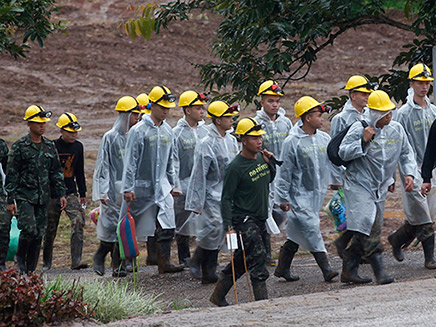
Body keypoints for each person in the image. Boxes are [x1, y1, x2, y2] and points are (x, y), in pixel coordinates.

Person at [339, 90, 417, 285]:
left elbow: (406, 153)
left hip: (380, 186)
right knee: (369, 222)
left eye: (390, 112)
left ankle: (348, 265)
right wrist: (363, 141)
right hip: (358, 184)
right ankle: (380, 272)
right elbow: (343, 153)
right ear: (373, 113)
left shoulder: (396, 129)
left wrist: (408, 174)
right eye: (384, 113)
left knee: (369, 226)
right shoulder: (359, 128)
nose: (389, 117)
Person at [210, 118, 275, 306]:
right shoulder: (235, 167)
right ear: (244, 140)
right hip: (245, 221)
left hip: (261, 218)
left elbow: (268, 179)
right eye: (254, 138)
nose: (259, 141)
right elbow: (226, 198)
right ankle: (262, 303)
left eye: (260, 138)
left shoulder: (261, 159)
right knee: (258, 259)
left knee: (241, 260)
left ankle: (218, 295)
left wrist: (270, 163)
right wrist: (228, 226)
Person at [274, 96, 338, 283]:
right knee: (311, 227)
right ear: (307, 117)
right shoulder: (292, 142)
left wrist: (336, 181)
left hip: (316, 194)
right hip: (298, 195)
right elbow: (284, 173)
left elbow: (331, 163)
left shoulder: (324, 138)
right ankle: (326, 269)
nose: (322, 119)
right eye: (318, 115)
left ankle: (282, 267)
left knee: (297, 231)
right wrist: (283, 198)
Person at [121, 85, 184, 274]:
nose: (166, 111)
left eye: (168, 107)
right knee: (131, 223)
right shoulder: (139, 131)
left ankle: (164, 262)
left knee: (167, 222)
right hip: (141, 185)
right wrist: (128, 187)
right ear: (152, 105)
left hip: (162, 184)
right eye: (162, 107)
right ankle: (121, 262)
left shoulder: (168, 131)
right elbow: (130, 161)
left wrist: (173, 183)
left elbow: (172, 159)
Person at [5, 105, 67, 274]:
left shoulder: (49, 146)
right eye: (38, 123)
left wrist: (61, 193)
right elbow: (12, 174)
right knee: (28, 229)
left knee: (39, 233)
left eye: (44, 123)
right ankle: (20, 262)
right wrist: (10, 199)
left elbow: (56, 171)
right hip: (25, 196)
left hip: (43, 197)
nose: (42, 126)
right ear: (29, 124)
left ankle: (30, 270)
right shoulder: (19, 147)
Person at [185, 100, 239, 284]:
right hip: (210, 194)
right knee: (213, 229)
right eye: (227, 117)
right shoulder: (206, 143)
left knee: (222, 230)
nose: (231, 120)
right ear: (217, 120)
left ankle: (208, 271)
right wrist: (196, 201)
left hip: (227, 194)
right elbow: (199, 174)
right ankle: (198, 262)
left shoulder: (231, 140)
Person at [388, 63, 436, 269]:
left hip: (432, 170)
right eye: (419, 82)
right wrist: (395, 174)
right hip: (413, 169)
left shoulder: (433, 111)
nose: (424, 87)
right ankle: (429, 258)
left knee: (427, 214)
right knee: (423, 216)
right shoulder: (403, 113)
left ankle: (397, 239)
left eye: (427, 83)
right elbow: (397, 146)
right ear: (411, 84)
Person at [92, 96, 141, 277]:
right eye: (134, 114)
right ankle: (101, 257)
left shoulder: (137, 136)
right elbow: (103, 165)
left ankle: (118, 265)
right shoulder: (110, 138)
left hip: (129, 191)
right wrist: (103, 191)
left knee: (124, 228)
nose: (137, 118)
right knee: (112, 227)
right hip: (113, 190)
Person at [330, 75, 376, 258]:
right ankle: (359, 252)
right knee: (359, 213)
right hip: (349, 172)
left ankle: (348, 244)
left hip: (366, 171)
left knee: (362, 213)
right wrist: (336, 178)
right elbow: (333, 151)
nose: (366, 96)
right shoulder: (340, 118)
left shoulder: (368, 114)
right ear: (352, 95)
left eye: (367, 93)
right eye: (362, 93)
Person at [43, 113, 88, 271]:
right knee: (50, 229)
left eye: (75, 132)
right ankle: (46, 263)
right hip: (52, 194)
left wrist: (82, 193)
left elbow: (80, 172)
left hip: (70, 192)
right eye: (70, 132)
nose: (73, 135)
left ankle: (76, 260)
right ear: (61, 131)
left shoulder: (78, 147)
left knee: (78, 221)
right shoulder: (51, 146)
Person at [254, 80, 293, 266]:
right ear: (261, 102)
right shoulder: (255, 123)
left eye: (277, 101)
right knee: (263, 212)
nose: (275, 104)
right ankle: (265, 253)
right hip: (263, 174)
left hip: (283, 174)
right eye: (270, 101)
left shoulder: (286, 123)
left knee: (281, 211)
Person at [172, 90, 209, 265]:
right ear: (187, 110)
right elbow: (174, 160)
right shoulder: (176, 133)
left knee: (206, 220)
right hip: (184, 183)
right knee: (182, 221)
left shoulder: (206, 131)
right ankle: (184, 256)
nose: (202, 111)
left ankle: (204, 256)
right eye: (198, 108)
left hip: (204, 184)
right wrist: (176, 184)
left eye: (202, 108)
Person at [0, 139, 10, 271]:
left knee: (4, 225)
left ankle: (1, 262)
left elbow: (8, 170)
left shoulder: (1, 146)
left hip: (1, 194)